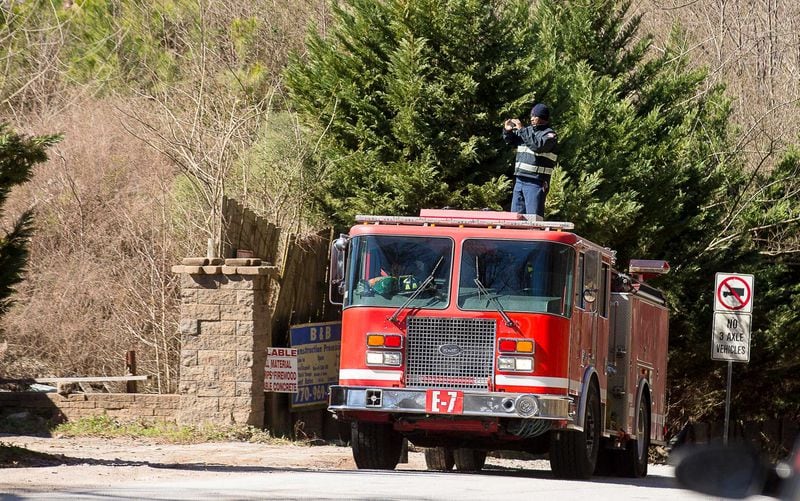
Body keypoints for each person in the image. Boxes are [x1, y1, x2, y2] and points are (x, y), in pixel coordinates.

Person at [503, 103, 559, 217]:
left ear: (542, 118)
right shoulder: (527, 131)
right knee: (515, 219)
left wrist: (522, 129)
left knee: (533, 220)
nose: (532, 118)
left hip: (536, 182)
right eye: (531, 115)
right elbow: (510, 141)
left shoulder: (549, 135)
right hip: (519, 180)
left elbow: (537, 146)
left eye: (535, 116)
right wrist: (507, 131)